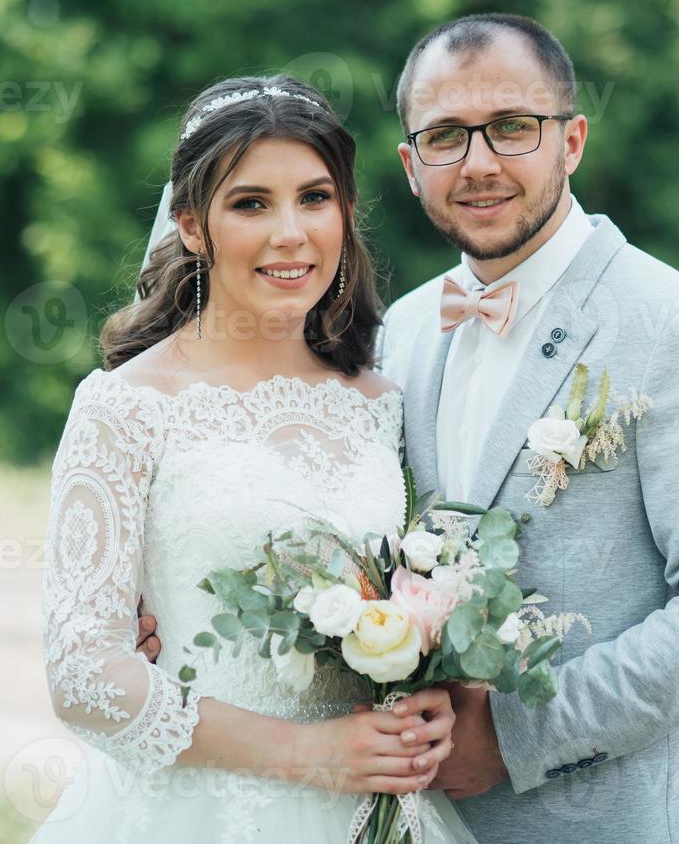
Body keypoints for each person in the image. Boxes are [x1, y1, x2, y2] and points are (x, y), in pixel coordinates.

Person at [377, 13, 679, 843]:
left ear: (571, 140)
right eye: (445, 137)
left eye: (511, 127)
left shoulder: (675, 326)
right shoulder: (398, 329)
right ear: (410, 163)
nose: (479, 163)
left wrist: (512, 738)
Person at [33, 76, 478, 843]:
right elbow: (82, 676)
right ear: (192, 227)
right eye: (250, 204)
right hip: (194, 810)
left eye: (314, 198)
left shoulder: (379, 401)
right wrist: (309, 755)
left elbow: (415, 595)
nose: (290, 233)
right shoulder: (125, 406)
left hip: (374, 811)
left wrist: (434, 692)